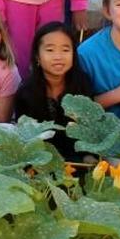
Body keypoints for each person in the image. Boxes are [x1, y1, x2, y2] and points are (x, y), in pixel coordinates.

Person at [13, 22, 94, 160]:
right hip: (40, 162)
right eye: (50, 50)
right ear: (37, 56)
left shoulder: (82, 85)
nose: (58, 56)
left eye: (65, 50)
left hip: (79, 160)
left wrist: (88, 155)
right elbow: (26, 139)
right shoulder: (25, 93)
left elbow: (89, 129)